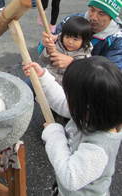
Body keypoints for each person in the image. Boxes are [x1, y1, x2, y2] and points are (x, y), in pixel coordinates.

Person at [23, 56, 122, 196]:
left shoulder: (98, 150)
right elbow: (63, 102)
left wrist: (54, 134)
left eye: (70, 95)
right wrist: (43, 78)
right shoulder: (94, 113)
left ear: (86, 106)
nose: (67, 98)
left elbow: (70, 177)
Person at [41, 0, 122, 70]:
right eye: (92, 10)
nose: (93, 17)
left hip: (83, 82)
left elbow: (112, 74)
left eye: (101, 14)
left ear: (111, 17)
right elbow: (42, 54)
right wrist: (46, 45)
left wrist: (74, 64)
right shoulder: (71, 21)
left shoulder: (117, 40)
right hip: (52, 73)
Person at [40, 16, 92, 84]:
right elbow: (44, 60)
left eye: (75, 39)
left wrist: (73, 64)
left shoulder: (85, 56)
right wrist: (48, 50)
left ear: (84, 41)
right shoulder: (57, 43)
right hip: (47, 77)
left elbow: (84, 75)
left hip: (66, 85)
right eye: (67, 37)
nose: (70, 42)